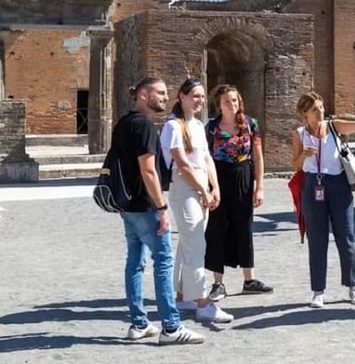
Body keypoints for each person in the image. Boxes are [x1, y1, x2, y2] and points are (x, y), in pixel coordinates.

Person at [114, 77, 204, 344]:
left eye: (166, 94)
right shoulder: (143, 125)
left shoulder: (124, 122)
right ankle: (171, 327)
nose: (166, 98)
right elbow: (148, 170)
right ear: (143, 94)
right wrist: (162, 207)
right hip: (145, 204)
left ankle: (139, 323)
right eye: (160, 93)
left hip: (127, 205)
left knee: (135, 262)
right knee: (163, 261)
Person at [290, 91, 355, 309]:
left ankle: (353, 286)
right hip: (313, 186)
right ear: (304, 113)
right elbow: (296, 165)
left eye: (321, 107)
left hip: (338, 185)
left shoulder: (333, 126)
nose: (320, 112)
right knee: (317, 239)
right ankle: (318, 291)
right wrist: (304, 155)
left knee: (345, 236)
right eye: (314, 109)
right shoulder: (299, 134)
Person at [160, 77, 232, 324]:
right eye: (195, 96)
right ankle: (203, 303)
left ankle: (181, 296)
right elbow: (181, 164)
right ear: (182, 96)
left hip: (201, 186)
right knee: (196, 245)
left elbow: (207, 159)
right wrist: (203, 189)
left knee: (188, 244)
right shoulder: (173, 126)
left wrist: (215, 186)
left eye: (202, 96)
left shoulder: (199, 126)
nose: (199, 100)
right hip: (185, 187)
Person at [204, 84, 272, 300]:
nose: (231, 104)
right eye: (226, 101)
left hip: (243, 175)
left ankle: (249, 279)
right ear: (219, 104)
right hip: (219, 177)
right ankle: (218, 283)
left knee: (244, 226)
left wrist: (259, 187)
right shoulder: (212, 128)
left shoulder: (250, 125)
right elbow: (205, 158)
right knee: (217, 228)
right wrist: (208, 187)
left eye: (234, 100)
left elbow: (258, 156)